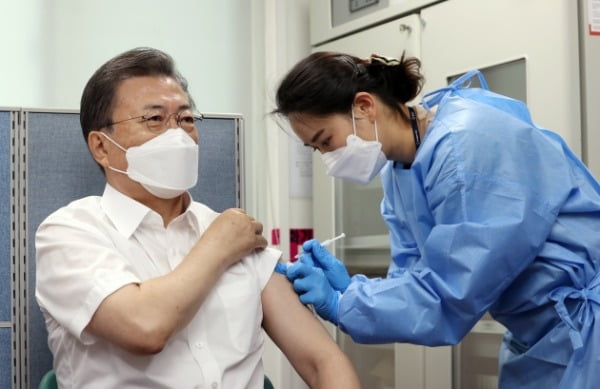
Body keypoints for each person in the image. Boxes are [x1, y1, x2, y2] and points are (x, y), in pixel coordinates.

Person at [35, 47, 361, 389]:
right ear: (102, 147)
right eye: (154, 119)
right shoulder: (70, 233)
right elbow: (144, 327)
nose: (177, 134)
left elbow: (323, 362)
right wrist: (218, 247)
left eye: (186, 119)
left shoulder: (235, 232)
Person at [273, 51, 600, 388]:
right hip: (542, 336)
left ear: (364, 107)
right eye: (317, 149)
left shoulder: (464, 147)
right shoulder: (401, 173)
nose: (329, 159)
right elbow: (414, 279)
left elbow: (451, 295)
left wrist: (344, 304)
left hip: (586, 329)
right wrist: (352, 287)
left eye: (326, 141)